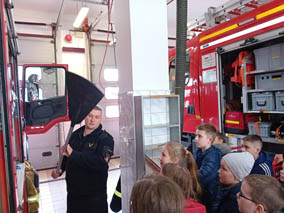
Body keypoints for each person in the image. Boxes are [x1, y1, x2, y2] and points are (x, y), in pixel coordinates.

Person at [51, 106, 114, 213]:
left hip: (94, 199)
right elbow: (66, 157)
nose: (92, 119)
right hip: (73, 196)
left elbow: (100, 163)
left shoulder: (106, 139)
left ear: (100, 119)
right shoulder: (75, 135)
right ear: (85, 117)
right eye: (90, 116)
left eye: (97, 117)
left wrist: (74, 154)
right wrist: (59, 169)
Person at [194, 123, 222, 208]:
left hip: (210, 198)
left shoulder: (213, 155)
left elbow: (203, 176)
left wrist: (185, 176)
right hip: (202, 194)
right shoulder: (199, 152)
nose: (195, 139)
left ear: (209, 140)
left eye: (200, 136)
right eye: (196, 135)